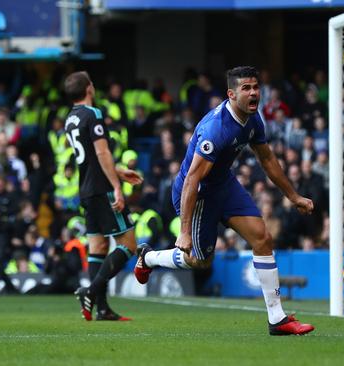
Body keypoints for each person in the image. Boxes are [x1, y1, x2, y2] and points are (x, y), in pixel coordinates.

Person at [134, 66, 315, 335]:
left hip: (223, 185)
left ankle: (277, 319)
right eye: (246, 88)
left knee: (262, 238)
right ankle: (149, 258)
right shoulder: (215, 129)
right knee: (200, 261)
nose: (254, 93)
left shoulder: (253, 119)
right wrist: (184, 231)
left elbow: (266, 158)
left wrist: (293, 195)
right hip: (197, 195)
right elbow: (192, 180)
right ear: (231, 94)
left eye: (256, 87)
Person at [64, 71, 143, 321]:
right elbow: (101, 153)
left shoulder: (70, 119)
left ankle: (102, 309)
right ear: (89, 88)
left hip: (86, 190)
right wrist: (117, 186)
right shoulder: (93, 114)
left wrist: (119, 171)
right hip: (102, 189)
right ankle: (90, 291)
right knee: (128, 243)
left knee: (97, 247)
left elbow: (89, 159)